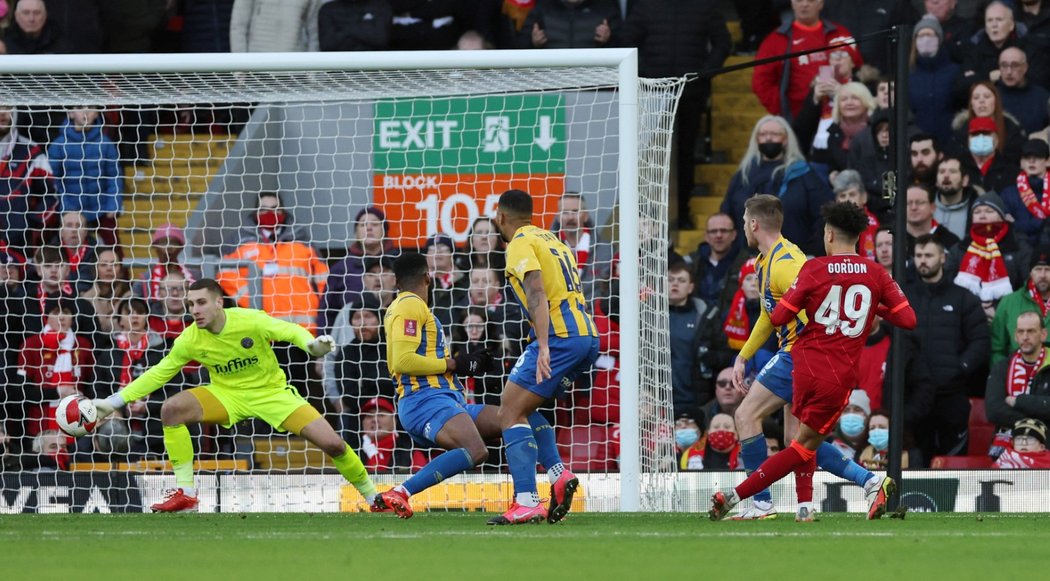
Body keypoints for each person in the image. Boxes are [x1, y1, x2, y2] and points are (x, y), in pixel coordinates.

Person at [90, 278, 378, 512]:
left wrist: (311, 345)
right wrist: (113, 402)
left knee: (335, 445)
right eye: (191, 304)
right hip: (226, 395)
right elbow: (159, 372)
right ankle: (186, 493)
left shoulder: (249, 320)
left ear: (219, 302)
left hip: (272, 394)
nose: (195, 309)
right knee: (172, 409)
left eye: (201, 302)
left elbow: (288, 330)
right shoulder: (190, 338)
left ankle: (374, 499)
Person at [710, 201, 917, 522]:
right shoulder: (768, 261)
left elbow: (800, 311)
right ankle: (841, 492)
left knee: (747, 415)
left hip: (801, 356)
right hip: (827, 363)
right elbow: (771, 313)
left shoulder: (794, 265)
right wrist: (745, 355)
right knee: (802, 442)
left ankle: (760, 503)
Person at [371, 253, 569, 521]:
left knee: (522, 417)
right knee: (476, 451)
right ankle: (401, 491)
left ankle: (552, 481)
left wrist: (465, 365)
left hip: (446, 400)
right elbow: (402, 361)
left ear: (396, 281)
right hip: (424, 402)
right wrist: (453, 364)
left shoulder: (409, 306)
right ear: (428, 277)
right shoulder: (409, 305)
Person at [487, 189, 600, 525]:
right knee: (522, 408)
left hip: (559, 337)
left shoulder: (519, 243)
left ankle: (526, 500)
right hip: (586, 336)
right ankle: (558, 475)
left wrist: (544, 345)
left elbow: (536, 288)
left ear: (500, 217)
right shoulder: (553, 240)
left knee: (508, 410)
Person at [906, 235, 990, 458]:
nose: (923, 260)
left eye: (929, 255)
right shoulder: (904, 296)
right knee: (917, 460)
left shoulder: (963, 298)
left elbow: (980, 340)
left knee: (954, 460)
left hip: (952, 394)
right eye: (919, 256)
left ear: (943, 258)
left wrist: (959, 367)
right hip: (915, 396)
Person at [720, 116, 834, 256]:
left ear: (786, 139)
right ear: (756, 139)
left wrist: (812, 253)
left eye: (774, 134)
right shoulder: (742, 176)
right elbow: (726, 214)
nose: (768, 138)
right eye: (763, 134)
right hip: (746, 260)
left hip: (794, 258)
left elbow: (823, 214)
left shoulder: (803, 173)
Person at [752, 0, 860, 122]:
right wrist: (782, 109)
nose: (804, 4)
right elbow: (761, 81)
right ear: (792, 3)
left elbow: (859, 68)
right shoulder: (776, 40)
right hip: (798, 118)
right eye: (799, 0)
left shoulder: (839, 33)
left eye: (810, 0)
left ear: (821, 3)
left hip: (842, 115)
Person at [48, 105, 122, 250]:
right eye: (80, 107)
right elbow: (53, 182)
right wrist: (66, 209)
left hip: (101, 211)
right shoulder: (58, 145)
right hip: (69, 212)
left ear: (97, 113)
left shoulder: (106, 144)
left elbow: (114, 176)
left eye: (91, 107)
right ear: (70, 113)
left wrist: (113, 204)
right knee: (66, 252)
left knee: (113, 254)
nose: (86, 111)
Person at [949, 191, 1032, 300]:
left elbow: (1027, 286)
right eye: (977, 212)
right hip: (968, 311)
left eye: (989, 211)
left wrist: (999, 309)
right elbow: (949, 285)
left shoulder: (1018, 246)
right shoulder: (960, 248)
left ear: (1002, 217)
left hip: (1007, 310)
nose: (982, 216)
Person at [985, 312, 1050, 436]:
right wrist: (1036, 422)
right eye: (1021, 331)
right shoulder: (1001, 367)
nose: (1025, 337)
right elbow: (994, 411)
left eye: (1031, 331)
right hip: (1007, 441)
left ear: (1043, 334)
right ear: (1015, 336)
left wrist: (1019, 401)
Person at [990, 247, 1050, 364]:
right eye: (1038, 269)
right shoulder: (1009, 302)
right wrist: (1003, 374)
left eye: (1047, 269)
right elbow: (996, 348)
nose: (1042, 275)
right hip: (1017, 374)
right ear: (1030, 272)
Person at [909, 16, 962, 143]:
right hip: (919, 143)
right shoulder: (909, 75)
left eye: (929, 34)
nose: (925, 39)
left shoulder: (955, 71)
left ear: (939, 39)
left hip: (949, 139)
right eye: (920, 36)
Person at [357, 396, 427, 473]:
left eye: (381, 415)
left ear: (394, 420)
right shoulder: (353, 454)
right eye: (369, 416)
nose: (374, 419)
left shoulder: (412, 455)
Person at [1001, 139, 1050, 247]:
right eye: (1027, 157)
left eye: (1038, 157)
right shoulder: (1008, 193)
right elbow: (1005, 227)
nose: (1031, 161)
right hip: (1018, 252)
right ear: (1021, 163)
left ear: (1048, 161)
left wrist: (1017, 224)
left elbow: (1014, 225)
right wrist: (1042, 222)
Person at [229, 0, 323, 53]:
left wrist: (312, 73)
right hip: (257, 65)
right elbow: (238, 26)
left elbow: (314, 32)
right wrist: (240, 68)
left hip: (294, 66)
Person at [135, 224, 196, 302]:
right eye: (163, 243)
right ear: (155, 247)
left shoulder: (194, 277)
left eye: (173, 243)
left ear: (181, 248)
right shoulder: (144, 281)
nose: (169, 247)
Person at [997, 47, 1050, 135]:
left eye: (1015, 65)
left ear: (1025, 67)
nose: (1009, 71)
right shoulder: (991, 95)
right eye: (1004, 65)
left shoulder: (1042, 97)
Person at [933, 154, 979, 241]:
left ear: (965, 180)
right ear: (936, 180)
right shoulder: (926, 204)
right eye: (942, 171)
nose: (946, 175)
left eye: (953, 171)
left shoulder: (976, 208)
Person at [318, 0, 391, 51]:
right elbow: (327, 45)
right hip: (338, 65)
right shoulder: (328, 9)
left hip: (374, 64)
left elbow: (380, 39)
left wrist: (345, 29)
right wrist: (364, 27)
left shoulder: (380, 5)